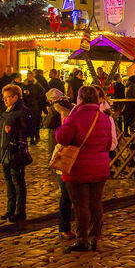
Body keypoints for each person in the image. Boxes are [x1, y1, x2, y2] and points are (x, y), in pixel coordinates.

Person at [54, 85, 113, 252]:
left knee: (81, 205)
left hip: (78, 167)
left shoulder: (75, 118)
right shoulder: (103, 118)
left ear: (80, 99)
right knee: (96, 204)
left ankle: (82, 239)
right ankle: (95, 237)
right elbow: (108, 144)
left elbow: (62, 138)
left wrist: (66, 119)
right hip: (100, 167)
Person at [43, 88, 76, 238]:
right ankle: (65, 226)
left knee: (68, 195)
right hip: (64, 156)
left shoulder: (64, 114)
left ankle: (66, 226)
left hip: (65, 155)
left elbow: (51, 128)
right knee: (67, 195)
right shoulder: (68, 112)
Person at [0, 85, 31, 223]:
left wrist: (13, 132)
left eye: (8, 97)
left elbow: (28, 130)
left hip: (15, 152)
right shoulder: (7, 111)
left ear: (15, 97)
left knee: (18, 182)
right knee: (9, 182)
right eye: (4, 97)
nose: (5, 100)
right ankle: (10, 209)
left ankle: (20, 211)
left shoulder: (22, 111)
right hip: (5, 151)